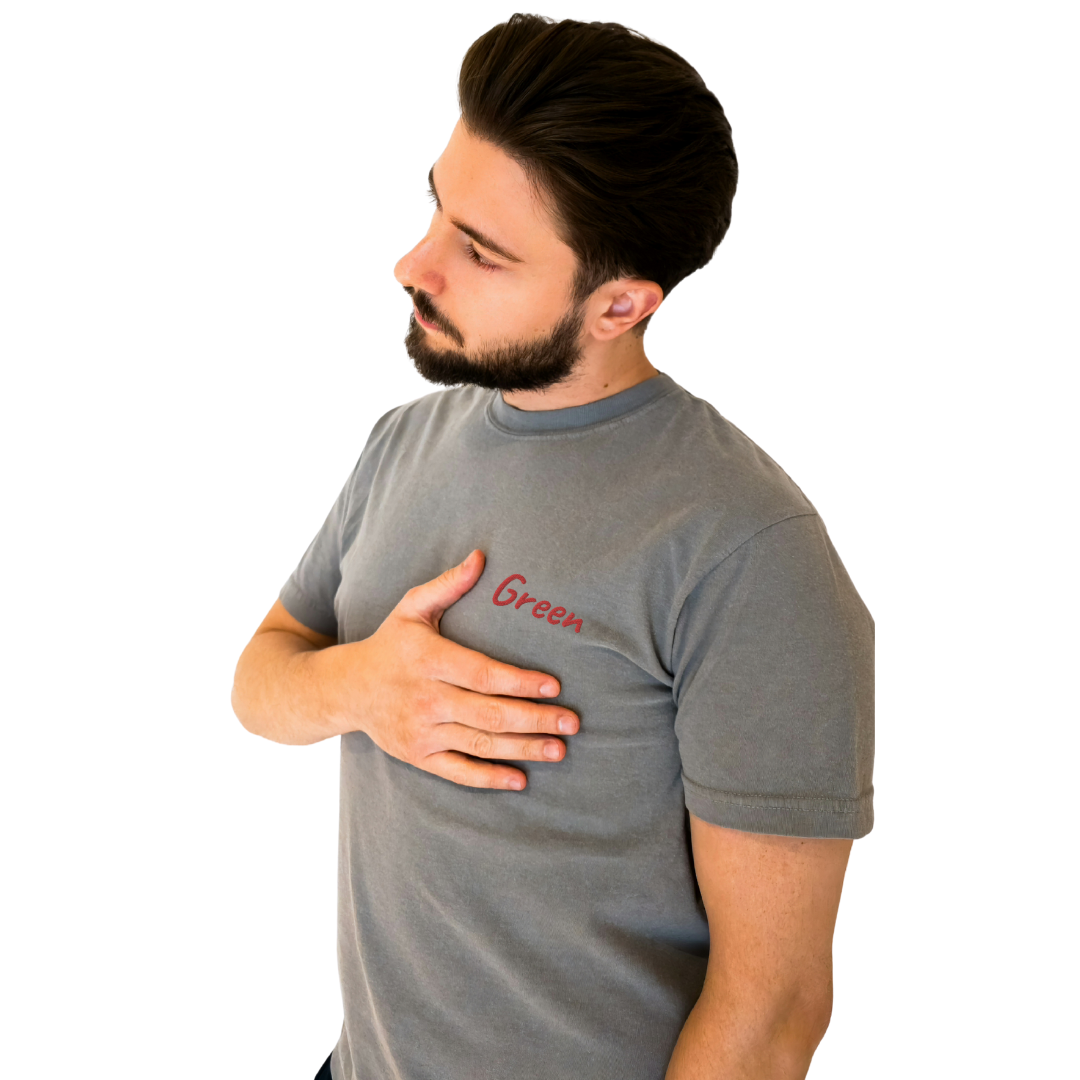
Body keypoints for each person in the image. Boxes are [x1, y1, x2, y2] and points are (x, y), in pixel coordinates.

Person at [232, 14, 874, 1080]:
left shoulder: (748, 554)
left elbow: (772, 1011)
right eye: (438, 206)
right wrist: (363, 688)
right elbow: (261, 679)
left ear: (620, 303)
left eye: (480, 250)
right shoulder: (406, 442)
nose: (412, 262)